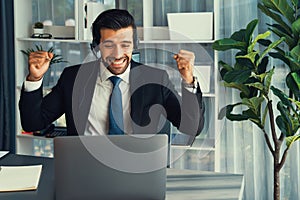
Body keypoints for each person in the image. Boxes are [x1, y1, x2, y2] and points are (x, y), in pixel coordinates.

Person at [19, 9, 205, 140]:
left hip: (140, 169)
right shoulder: (73, 78)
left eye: (125, 45)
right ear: (96, 46)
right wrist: (34, 79)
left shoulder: (156, 79)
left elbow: (191, 128)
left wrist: (188, 81)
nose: (117, 54)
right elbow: (32, 123)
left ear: (134, 45)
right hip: (85, 169)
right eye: (108, 45)